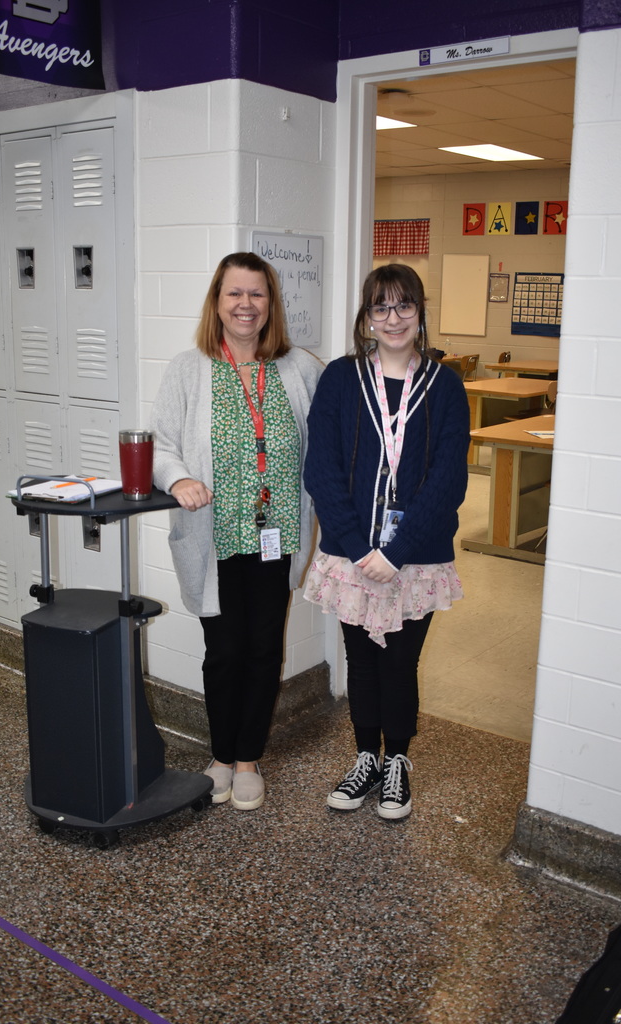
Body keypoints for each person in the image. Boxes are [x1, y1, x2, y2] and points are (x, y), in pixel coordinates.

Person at [151, 252, 322, 811]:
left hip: (276, 535)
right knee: (222, 651)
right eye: (235, 294)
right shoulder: (188, 367)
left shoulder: (297, 368)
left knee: (263, 647)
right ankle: (221, 756)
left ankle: (249, 759)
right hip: (215, 536)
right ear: (217, 303)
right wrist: (178, 480)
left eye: (257, 295)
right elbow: (161, 444)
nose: (246, 305)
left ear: (270, 304)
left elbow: (327, 438)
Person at [303, 264, 470, 820]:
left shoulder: (445, 386)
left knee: (401, 661)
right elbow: (320, 470)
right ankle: (365, 758)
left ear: (420, 314)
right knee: (360, 660)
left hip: (415, 558)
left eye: (404, 306)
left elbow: (449, 480)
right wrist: (357, 547)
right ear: (366, 318)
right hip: (351, 554)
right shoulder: (340, 379)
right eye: (381, 307)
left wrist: (393, 554)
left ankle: (397, 759)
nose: (393, 318)